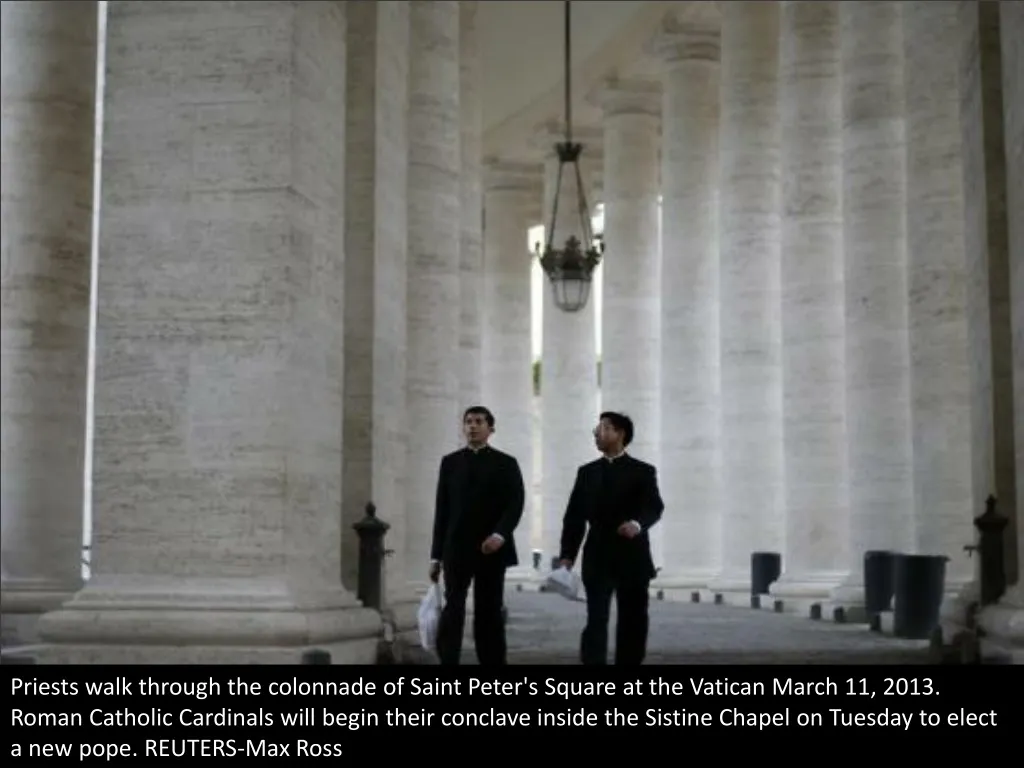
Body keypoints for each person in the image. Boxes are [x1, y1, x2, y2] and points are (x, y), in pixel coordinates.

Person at [558, 411, 664, 665]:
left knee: (634, 620)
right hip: (598, 555)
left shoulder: (643, 471)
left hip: (633, 556)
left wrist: (637, 524)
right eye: (597, 429)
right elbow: (574, 517)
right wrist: (567, 557)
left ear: (620, 434)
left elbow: (654, 506)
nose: (597, 433)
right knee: (596, 619)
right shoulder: (587, 473)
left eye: (604, 428)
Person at [429, 406, 525, 665]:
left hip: (491, 548)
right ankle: (448, 660)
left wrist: (500, 535)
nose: (472, 426)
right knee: (453, 608)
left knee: (489, 610)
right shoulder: (450, 463)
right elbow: (442, 510)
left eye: (479, 421)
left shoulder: (506, 463)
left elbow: (515, 503)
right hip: (456, 547)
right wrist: (435, 556)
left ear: (490, 428)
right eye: (468, 421)